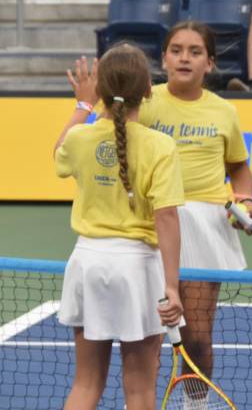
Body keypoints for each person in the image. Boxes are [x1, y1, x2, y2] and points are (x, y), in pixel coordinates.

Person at [138, 20, 252, 407]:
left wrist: (245, 199)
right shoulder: (145, 101)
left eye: (194, 52)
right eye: (176, 50)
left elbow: (238, 165)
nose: (184, 58)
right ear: (163, 59)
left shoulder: (224, 111)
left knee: (196, 336)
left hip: (205, 226)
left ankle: (196, 404)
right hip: (149, 222)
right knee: (145, 336)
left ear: (209, 63)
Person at [54, 44, 184, 410]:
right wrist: (171, 287)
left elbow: (58, 154)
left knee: (85, 384)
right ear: (148, 90)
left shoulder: (81, 138)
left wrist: (82, 105)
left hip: (86, 263)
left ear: (101, 91)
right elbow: (167, 217)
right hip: (136, 267)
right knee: (140, 389)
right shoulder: (161, 146)